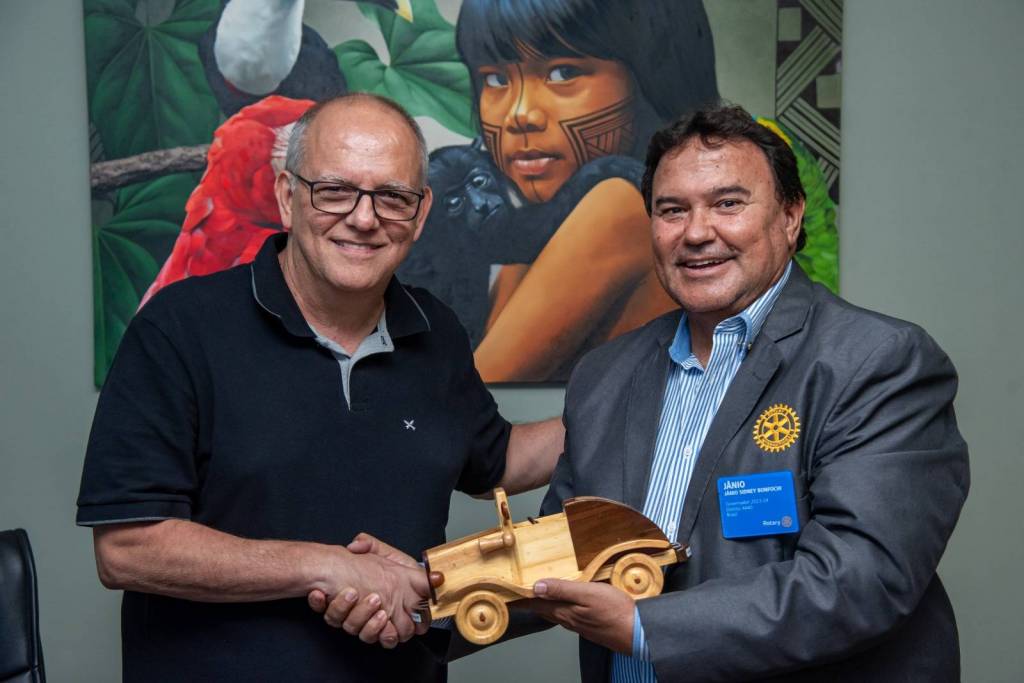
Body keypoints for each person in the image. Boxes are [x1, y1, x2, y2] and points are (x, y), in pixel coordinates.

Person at [327, 104, 970, 681]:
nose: (696, 232)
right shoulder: (608, 373)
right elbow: (560, 558)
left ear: (790, 216)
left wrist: (644, 627)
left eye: (728, 203)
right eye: (672, 210)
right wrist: (434, 593)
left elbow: (861, 580)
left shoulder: (877, 362)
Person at [76, 93, 564, 682]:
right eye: (334, 190)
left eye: (393, 197)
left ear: (421, 213)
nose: (364, 218)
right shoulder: (178, 328)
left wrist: (635, 399)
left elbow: (496, 460)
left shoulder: (435, 330)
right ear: (287, 197)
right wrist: (325, 566)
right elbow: (127, 548)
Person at [455, 0, 720, 381]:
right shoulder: (542, 222)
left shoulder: (620, 203)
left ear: (650, 76)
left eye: (563, 73)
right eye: (496, 80)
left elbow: (475, 390)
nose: (520, 115)